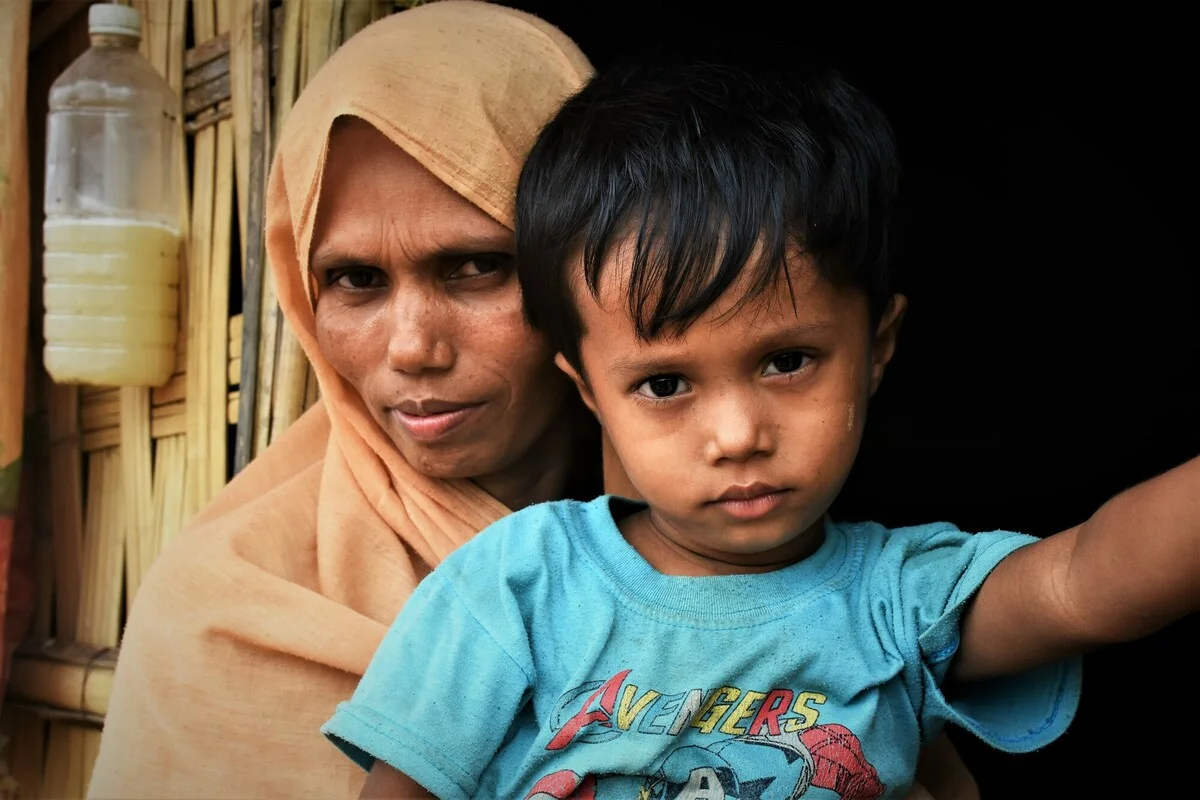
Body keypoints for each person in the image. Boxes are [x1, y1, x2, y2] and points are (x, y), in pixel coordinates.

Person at [86, 4, 975, 799]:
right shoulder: (227, 609)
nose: (411, 347)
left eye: (477, 265)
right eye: (354, 280)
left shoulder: (791, 563)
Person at [321, 61, 1200, 799]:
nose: (738, 434)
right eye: (664, 383)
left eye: (787, 362)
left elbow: (1090, 578)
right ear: (589, 392)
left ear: (877, 347)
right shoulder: (521, 585)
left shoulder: (900, 599)